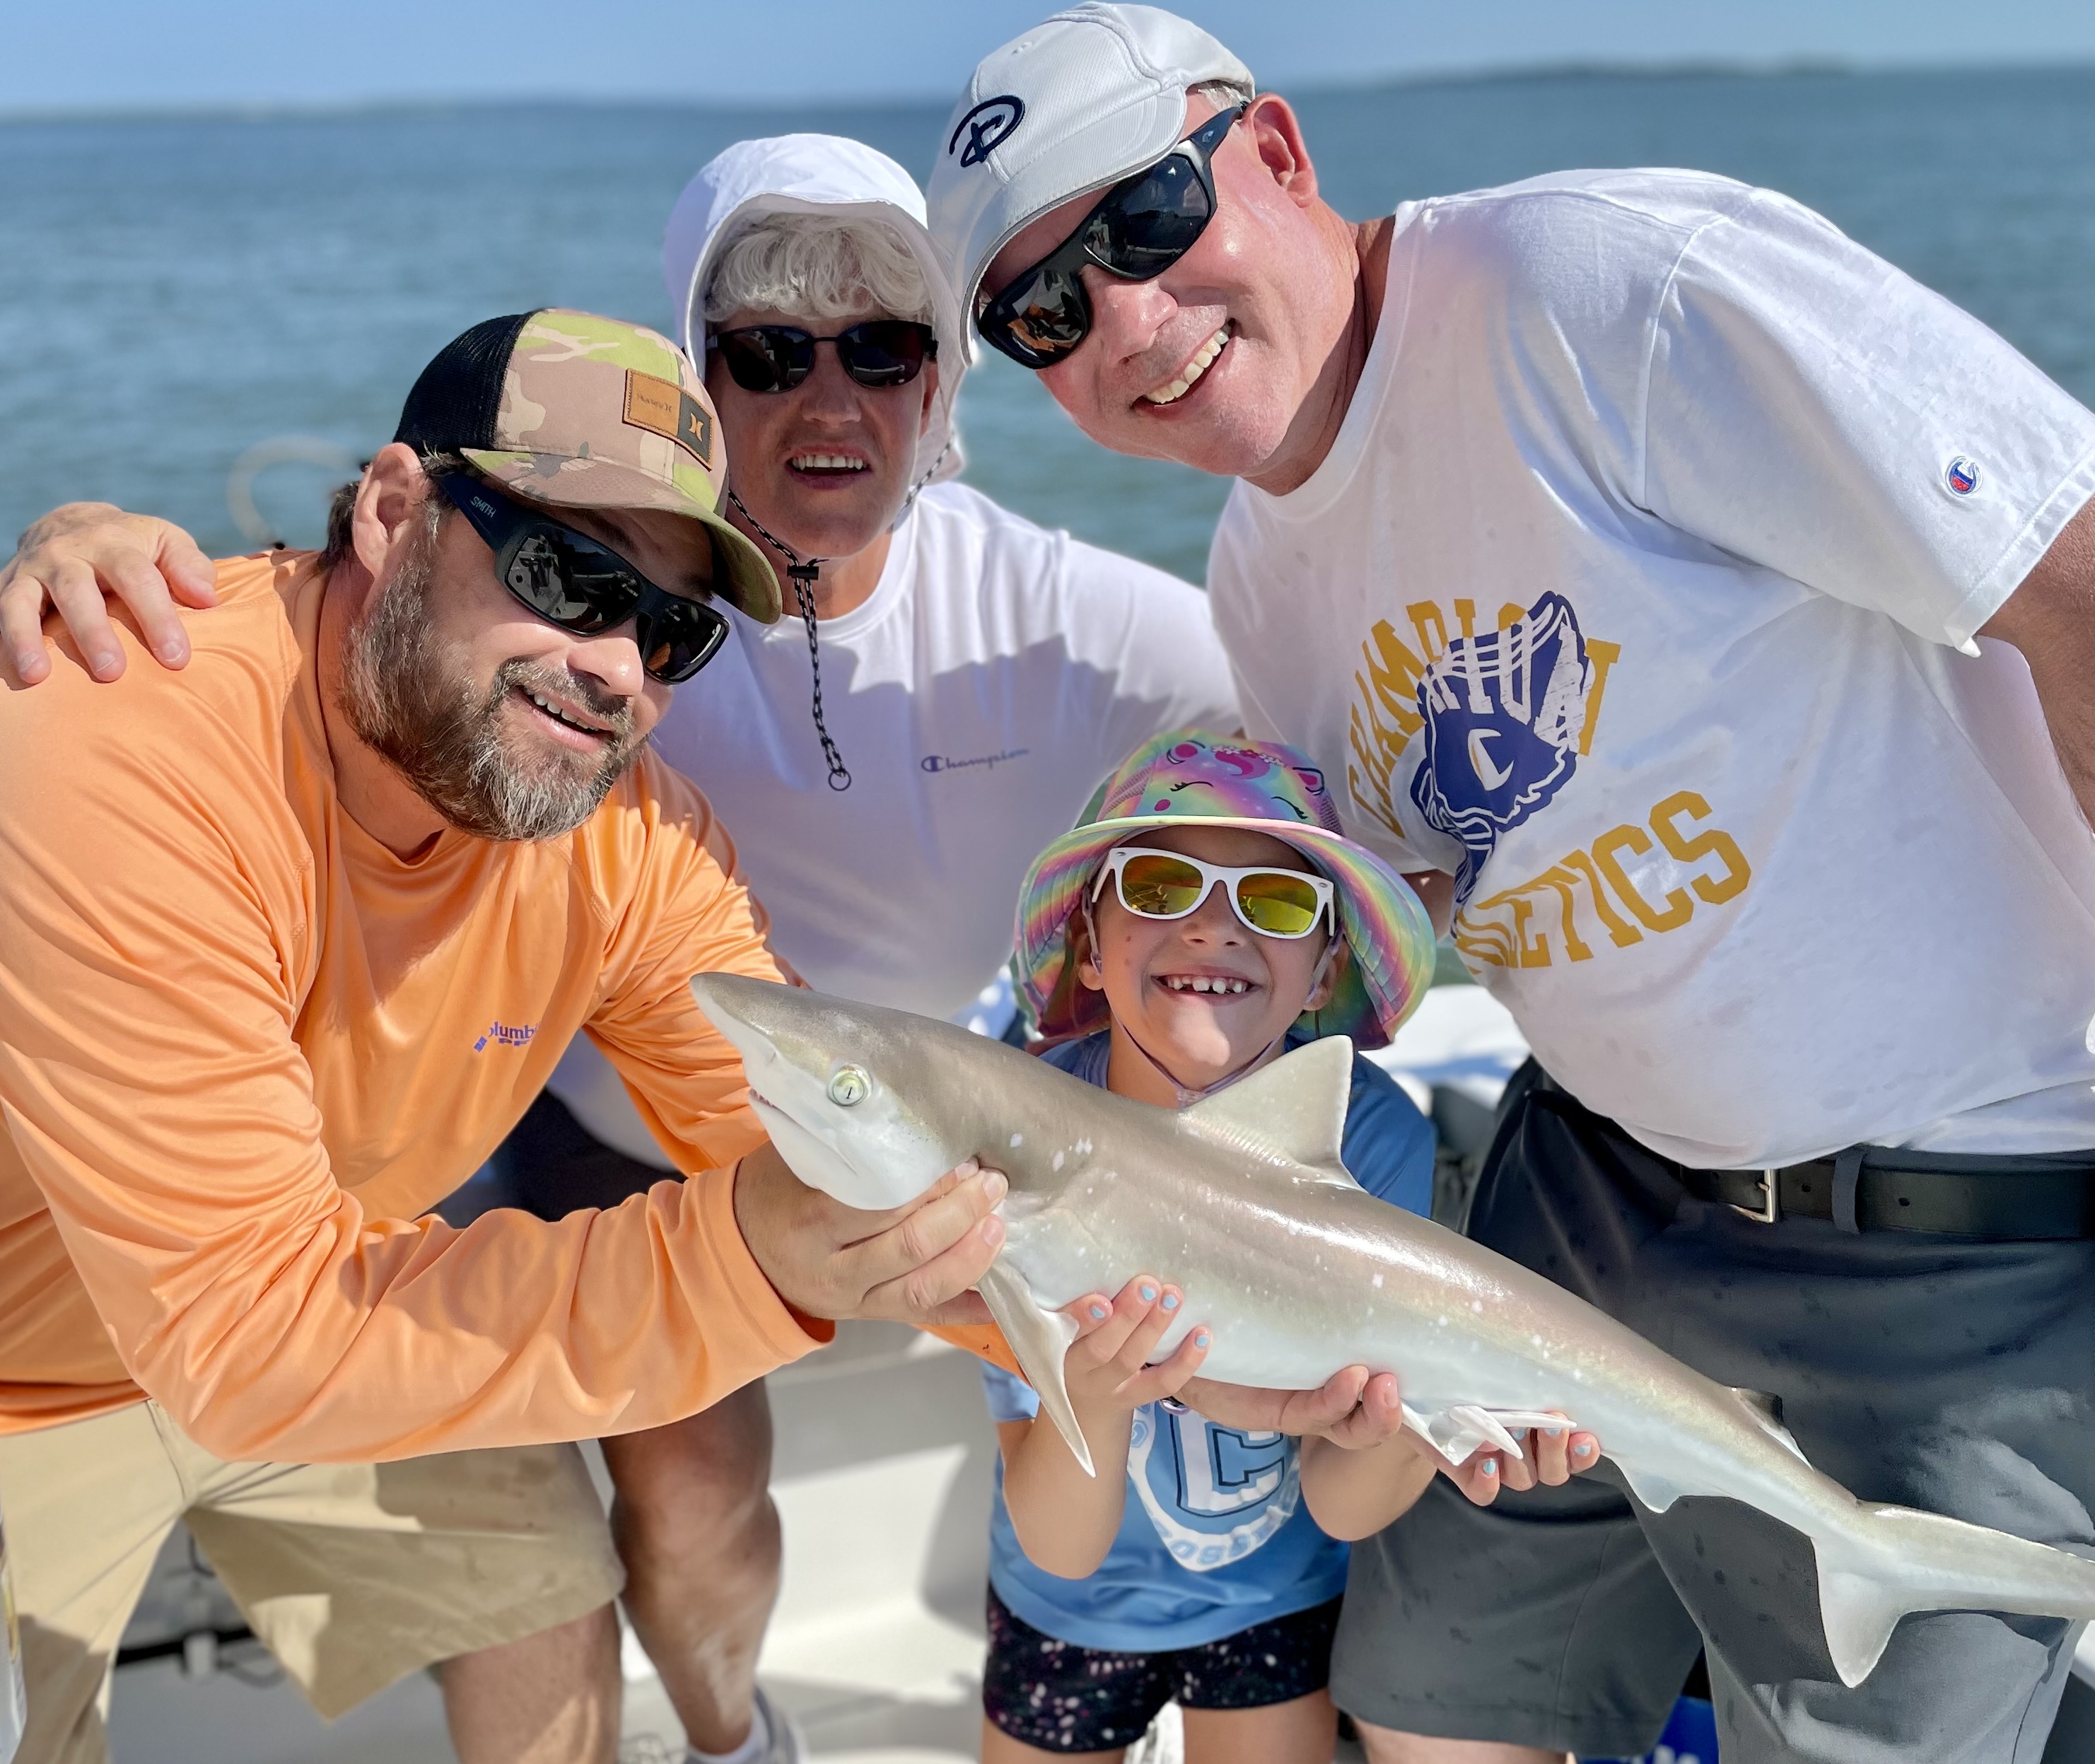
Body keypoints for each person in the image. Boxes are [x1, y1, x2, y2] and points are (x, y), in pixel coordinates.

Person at [916, 7, 2095, 1761]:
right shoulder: (1257, 589)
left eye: (1142, 221)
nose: (1127, 320)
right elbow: (1438, 917)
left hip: (1974, 1230)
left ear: (1275, 153)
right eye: (1043, 312)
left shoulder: (1590, 293)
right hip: (1583, 1204)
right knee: (1423, 1711)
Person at [0, 135, 1237, 1764]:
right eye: (561, 573)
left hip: (351, 1280)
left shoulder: (624, 829)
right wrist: (746, 1257)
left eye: (664, 631)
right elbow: (243, 1335)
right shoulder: (112, 744)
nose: (607, 667)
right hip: (45, 1378)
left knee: (544, 1591)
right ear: (390, 507)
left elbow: (816, 1139)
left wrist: (1193, 1340)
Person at [978, 730, 1597, 1763]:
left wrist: (1422, 1421)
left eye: (1273, 903)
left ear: (1322, 973)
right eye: (1162, 884)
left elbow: (1339, 1502)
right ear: (1089, 942)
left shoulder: (1370, 1139)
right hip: (1062, 1606)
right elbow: (1063, 1545)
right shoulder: (1021, 1133)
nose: (1213, 928)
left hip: (1277, 1598)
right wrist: (1089, 1392)